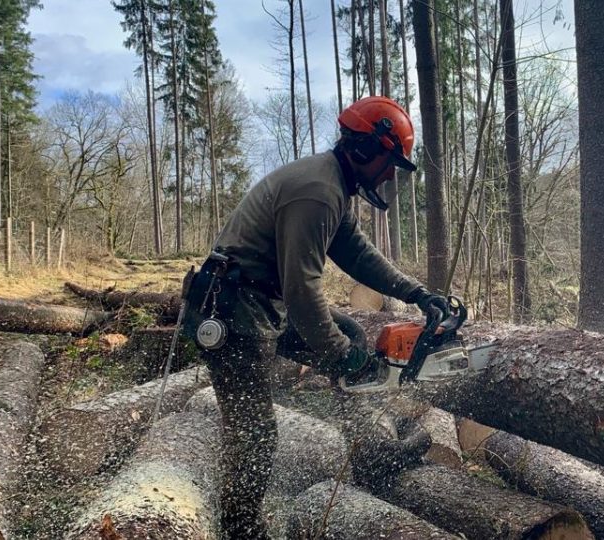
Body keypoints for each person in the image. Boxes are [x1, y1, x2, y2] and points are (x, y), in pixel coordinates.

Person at [180, 96, 449, 539]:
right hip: (229, 311)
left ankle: (369, 453)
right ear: (364, 149)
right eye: (387, 163)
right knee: (255, 430)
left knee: (348, 333)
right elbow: (303, 292)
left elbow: (358, 255)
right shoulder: (317, 192)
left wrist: (416, 293)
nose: (388, 174)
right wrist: (343, 357)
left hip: (260, 303)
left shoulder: (334, 186)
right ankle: (241, 527)